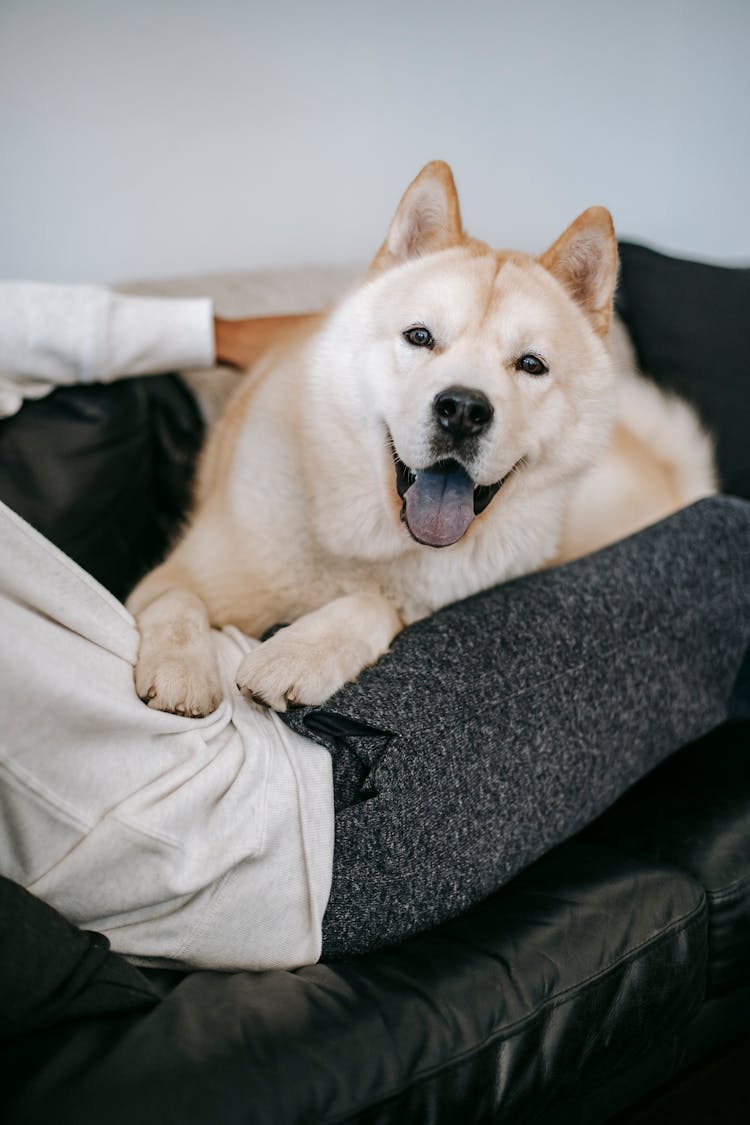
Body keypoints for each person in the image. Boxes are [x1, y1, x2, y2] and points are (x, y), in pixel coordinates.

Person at [0, 283, 748, 972]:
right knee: (722, 543)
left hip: (257, 779)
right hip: (278, 828)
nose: (465, 392)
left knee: (703, 541)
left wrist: (221, 333)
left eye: (524, 361)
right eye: (422, 336)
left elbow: (42, 326)